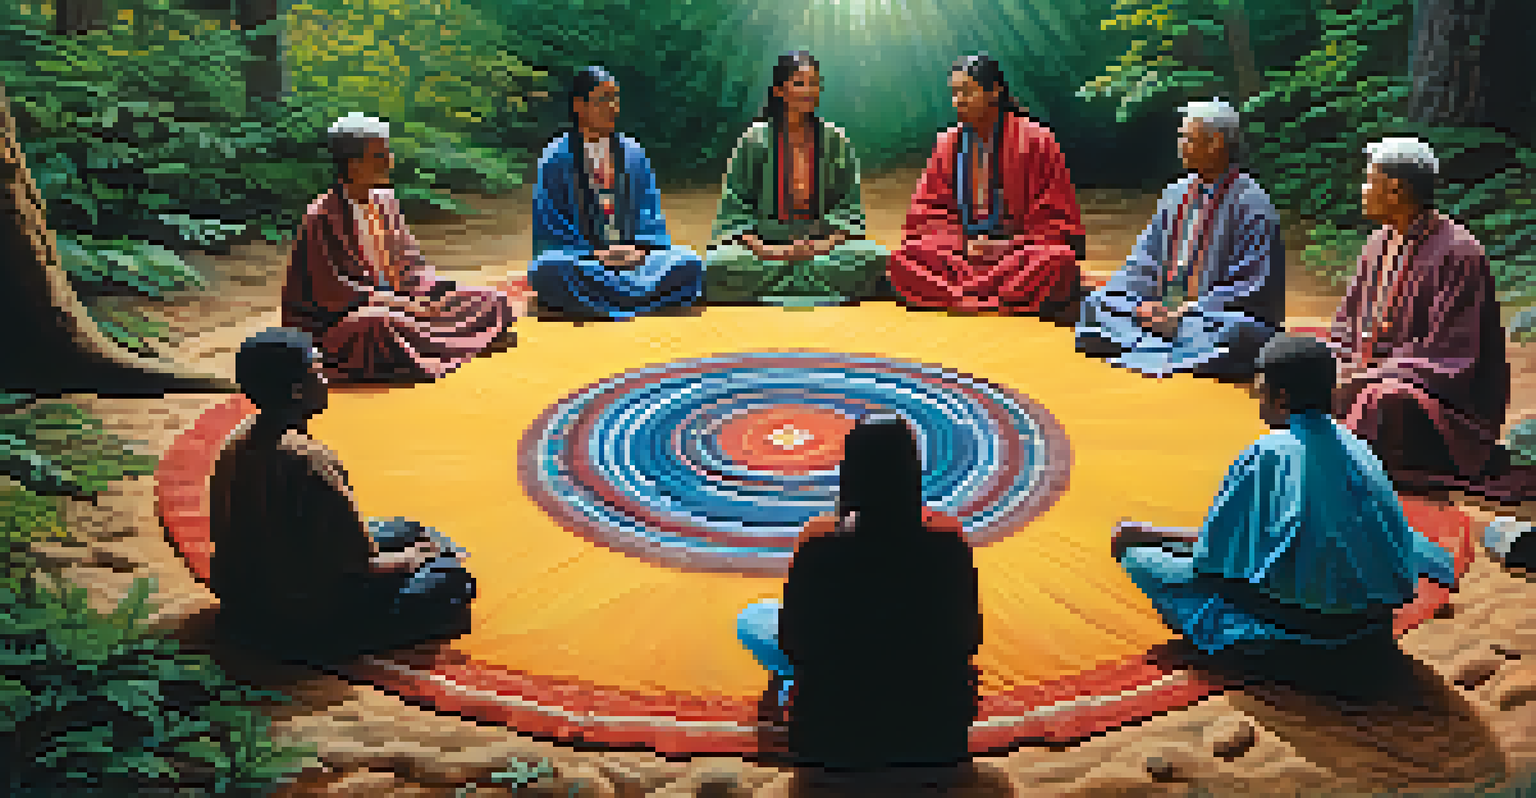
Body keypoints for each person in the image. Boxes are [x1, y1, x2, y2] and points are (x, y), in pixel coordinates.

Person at [1110, 334, 1457, 657]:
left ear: (1281, 398)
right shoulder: (1358, 445)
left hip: (1315, 626)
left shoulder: (1269, 451)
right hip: (1375, 619)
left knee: (1141, 560)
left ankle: (1264, 644)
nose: (1257, 399)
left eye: (1261, 391)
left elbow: (1214, 555)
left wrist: (1145, 534)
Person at [209, 327, 477, 662]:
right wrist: (417, 557)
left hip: (245, 592)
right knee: (450, 578)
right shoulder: (309, 461)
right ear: (296, 391)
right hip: (301, 615)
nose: (326, 379)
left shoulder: (236, 439)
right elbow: (365, 567)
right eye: (317, 371)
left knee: (407, 528)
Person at [735, 416, 982, 771]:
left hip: (832, 733)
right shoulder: (947, 539)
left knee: (754, 618)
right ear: (913, 473)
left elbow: (793, 641)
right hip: (932, 732)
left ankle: (788, 692)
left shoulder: (819, 541)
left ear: (849, 474)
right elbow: (968, 638)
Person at [1327, 137, 1530, 502]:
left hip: (1440, 400)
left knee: (1381, 399)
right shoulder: (1379, 242)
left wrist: (1369, 375)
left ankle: (1343, 472)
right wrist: (1335, 360)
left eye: (1370, 180)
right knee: (1301, 360)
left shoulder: (1459, 253)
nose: (1362, 189)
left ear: (1396, 190)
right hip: (1374, 371)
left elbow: (1451, 357)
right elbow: (1348, 322)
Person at [281, 113, 513, 382]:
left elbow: (410, 263)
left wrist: (432, 293)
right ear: (353, 164)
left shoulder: (386, 202)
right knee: (378, 325)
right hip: (348, 318)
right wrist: (400, 304)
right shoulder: (322, 215)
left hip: (404, 299)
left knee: (490, 300)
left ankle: (443, 344)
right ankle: (459, 342)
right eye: (380, 157)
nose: (390, 162)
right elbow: (331, 291)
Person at [1075, 99, 1283, 378]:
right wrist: (1143, 305)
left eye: (1187, 137)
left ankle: (1157, 340)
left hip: (1211, 316)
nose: (1180, 145)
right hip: (1165, 310)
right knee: (1097, 304)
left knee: (1234, 332)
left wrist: (1187, 311)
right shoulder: (1175, 194)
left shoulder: (1253, 204)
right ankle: (1169, 341)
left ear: (1215, 143)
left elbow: (1251, 285)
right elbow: (1145, 259)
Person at [888, 53, 1086, 316]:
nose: (958, 101)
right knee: (902, 259)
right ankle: (999, 297)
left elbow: (1055, 221)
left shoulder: (1037, 140)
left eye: (967, 92)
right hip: (961, 256)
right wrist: (962, 245)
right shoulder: (947, 144)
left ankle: (961, 296)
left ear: (994, 92)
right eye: (955, 93)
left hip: (1016, 256)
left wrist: (1005, 247)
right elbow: (928, 212)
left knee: (1059, 262)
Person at [705, 51, 890, 306]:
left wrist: (822, 246)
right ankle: (819, 283)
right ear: (780, 90)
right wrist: (771, 251)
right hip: (766, 246)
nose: (809, 91)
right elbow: (735, 209)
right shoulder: (754, 139)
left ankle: (778, 285)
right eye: (800, 83)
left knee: (878, 258)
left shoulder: (835, 140)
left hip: (822, 246)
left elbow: (848, 209)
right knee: (718, 264)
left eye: (814, 84)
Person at [527, 67, 705, 319]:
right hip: (586, 259)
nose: (613, 107)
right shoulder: (556, 157)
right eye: (603, 99)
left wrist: (639, 250)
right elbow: (551, 225)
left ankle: (607, 299)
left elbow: (649, 213)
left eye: (615, 98)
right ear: (579, 105)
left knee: (689, 262)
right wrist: (597, 255)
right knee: (549, 270)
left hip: (636, 260)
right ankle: (640, 297)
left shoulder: (634, 153)